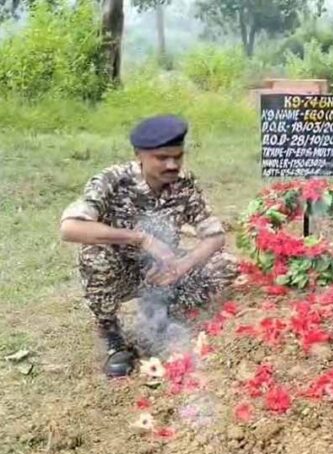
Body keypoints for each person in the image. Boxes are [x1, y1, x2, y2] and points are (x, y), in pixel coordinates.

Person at [59, 115, 238, 378]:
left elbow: (215, 236)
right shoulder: (113, 180)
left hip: (161, 272)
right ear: (139, 155)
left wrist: (183, 265)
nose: (172, 165)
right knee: (95, 255)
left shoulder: (184, 183)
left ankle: (162, 313)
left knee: (225, 264)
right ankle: (111, 333)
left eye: (178, 157)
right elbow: (70, 228)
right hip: (118, 271)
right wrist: (141, 238)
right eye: (162, 158)